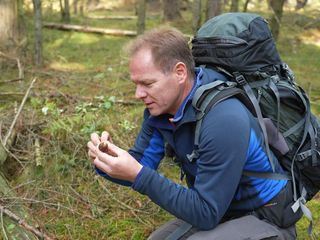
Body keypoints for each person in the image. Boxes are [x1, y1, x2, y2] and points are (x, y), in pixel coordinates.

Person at [87, 27, 299, 239]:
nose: (138, 94)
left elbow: (205, 213)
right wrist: (106, 159)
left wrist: (139, 175)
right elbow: (141, 162)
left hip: (267, 214)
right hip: (224, 209)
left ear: (180, 73)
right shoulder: (160, 111)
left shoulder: (223, 118)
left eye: (147, 83)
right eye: (136, 84)